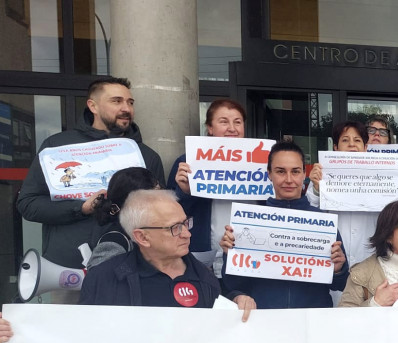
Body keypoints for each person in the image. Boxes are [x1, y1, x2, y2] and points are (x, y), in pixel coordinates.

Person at [17, 76, 166, 302]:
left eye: (130, 102)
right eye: (116, 101)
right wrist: (81, 208)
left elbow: (160, 216)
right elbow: (27, 204)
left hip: (130, 270)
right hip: (66, 273)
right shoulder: (57, 147)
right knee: (67, 336)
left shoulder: (146, 156)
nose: (126, 108)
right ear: (92, 106)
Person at [79, 190, 254, 318]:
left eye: (186, 223)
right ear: (142, 237)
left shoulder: (205, 278)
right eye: (175, 228)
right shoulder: (102, 279)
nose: (187, 233)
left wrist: (236, 300)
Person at [220, 141, 348, 309]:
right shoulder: (248, 222)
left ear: (304, 174)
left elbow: (340, 285)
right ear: (269, 174)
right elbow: (233, 285)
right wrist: (230, 256)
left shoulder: (323, 223)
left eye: (295, 172)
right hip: (265, 318)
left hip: (312, 319)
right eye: (281, 171)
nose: (289, 179)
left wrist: (338, 269)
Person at [306, 121, 398, 268]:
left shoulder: (384, 175)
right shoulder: (321, 176)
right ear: (335, 147)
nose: (351, 145)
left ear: (365, 147)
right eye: (345, 140)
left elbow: (394, 220)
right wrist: (317, 190)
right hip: (333, 258)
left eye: (357, 140)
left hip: (371, 260)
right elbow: (310, 215)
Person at [168, 98, 258, 271]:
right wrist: (185, 192)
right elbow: (170, 214)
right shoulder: (187, 162)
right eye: (224, 122)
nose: (232, 128)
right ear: (210, 128)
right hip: (204, 260)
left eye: (237, 122)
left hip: (249, 258)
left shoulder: (263, 161)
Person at [87, 167, 162, 269]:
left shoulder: (153, 227)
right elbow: (96, 280)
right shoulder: (114, 242)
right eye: (154, 196)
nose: (163, 199)